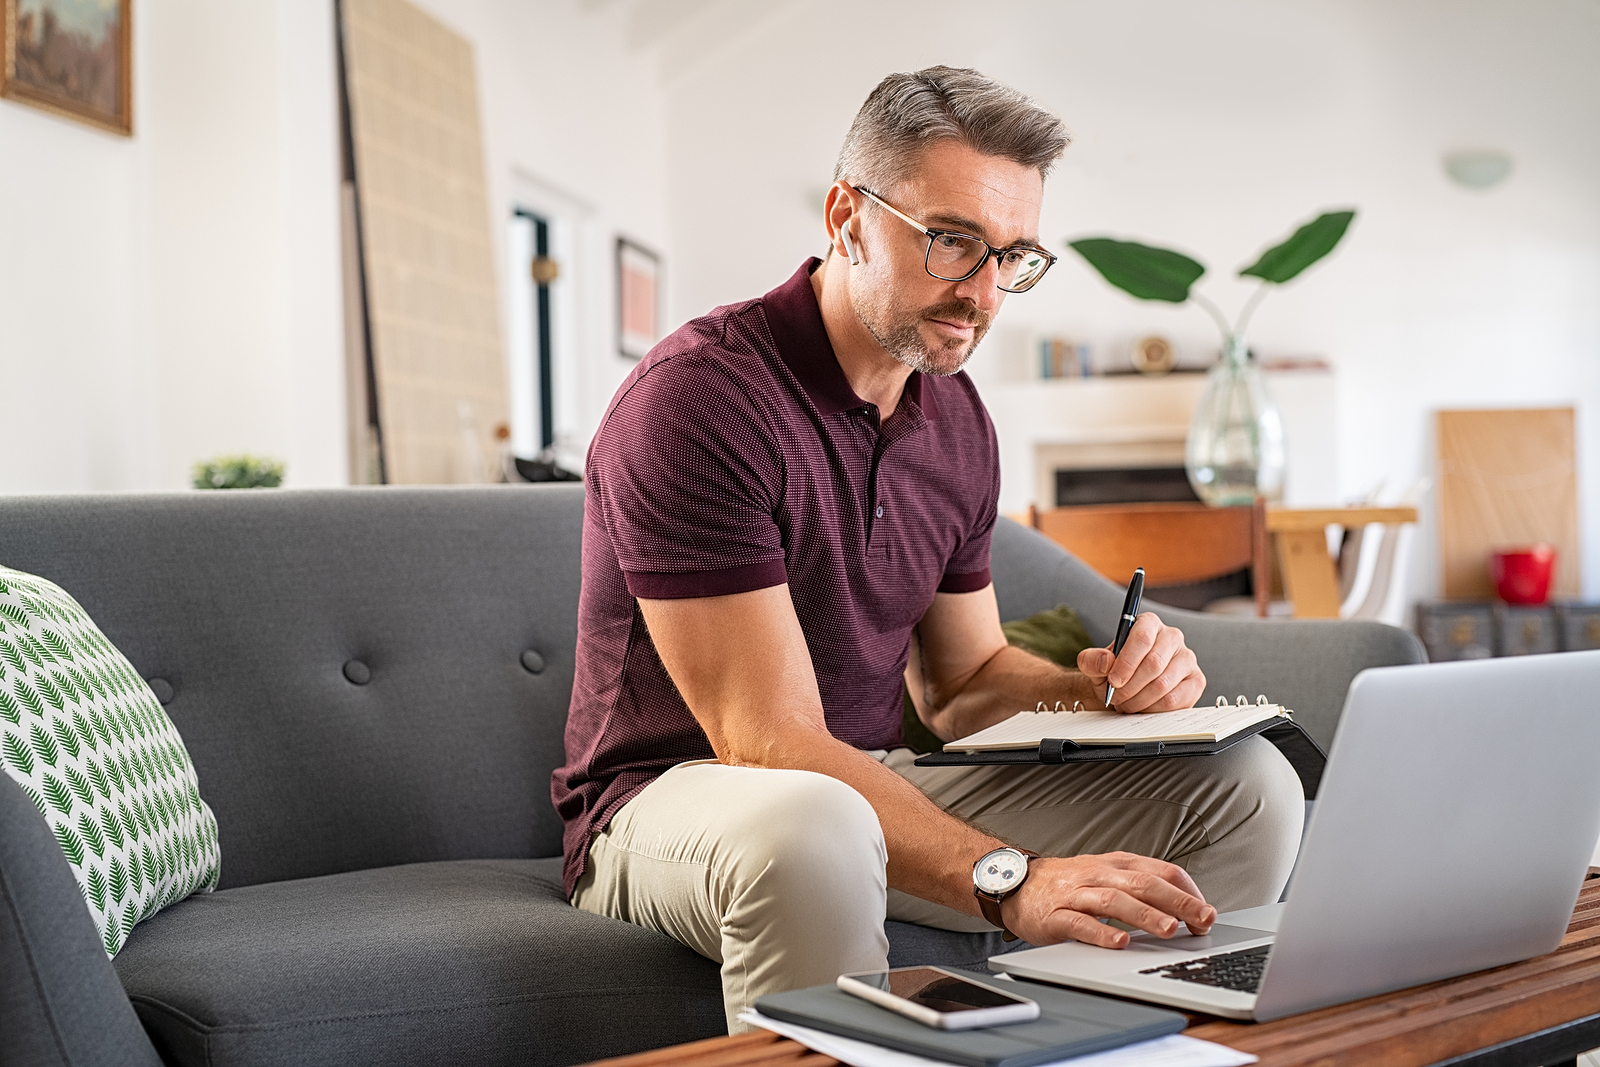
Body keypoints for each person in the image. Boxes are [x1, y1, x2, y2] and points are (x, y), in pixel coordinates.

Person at [553, 66, 1304, 1032]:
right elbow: (768, 743)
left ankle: (1117, 1049)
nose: (984, 293)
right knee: (814, 827)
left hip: (858, 779)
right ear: (846, 216)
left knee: (1247, 791)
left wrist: (1103, 689)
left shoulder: (957, 421)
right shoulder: (698, 403)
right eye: (952, 242)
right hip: (664, 803)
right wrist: (1011, 879)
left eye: (1014, 256)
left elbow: (961, 682)